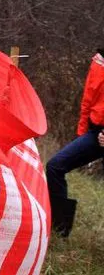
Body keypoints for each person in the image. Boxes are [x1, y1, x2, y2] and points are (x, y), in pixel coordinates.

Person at [45, 48, 104, 237]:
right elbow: (88, 99)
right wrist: (82, 134)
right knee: (55, 166)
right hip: (95, 133)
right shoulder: (99, 60)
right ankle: (58, 230)